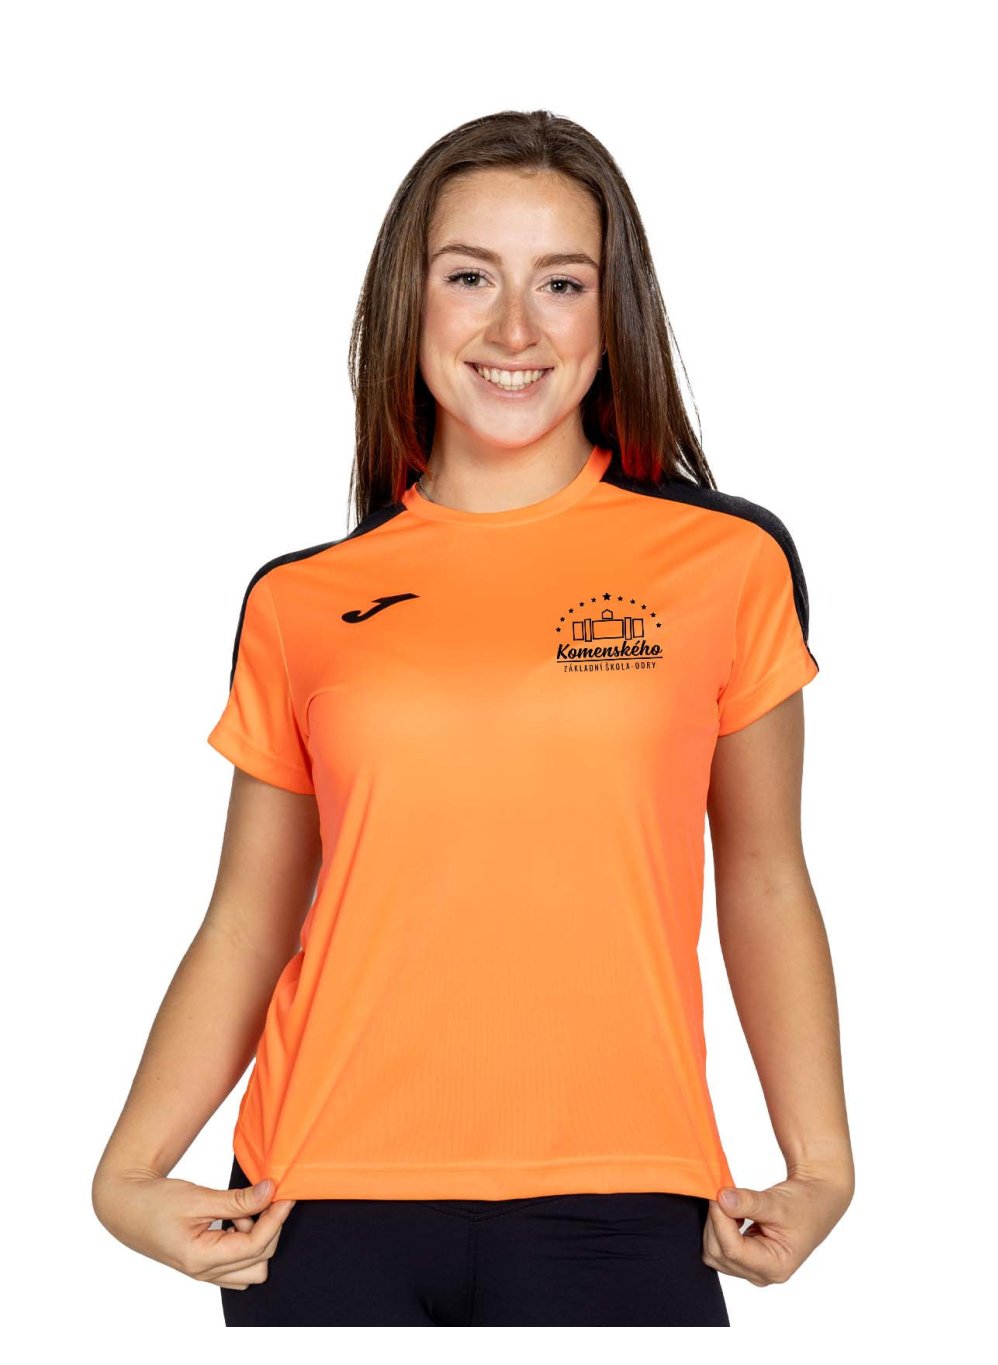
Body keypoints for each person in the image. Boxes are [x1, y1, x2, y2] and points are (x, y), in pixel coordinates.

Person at [91, 108, 854, 1327]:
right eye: (469, 277)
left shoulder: (724, 563)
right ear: (409, 301)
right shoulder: (302, 600)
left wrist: (820, 1166)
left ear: (613, 313)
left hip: (626, 1190)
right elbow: (248, 917)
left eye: (561, 283)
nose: (514, 330)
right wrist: (128, 1173)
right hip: (313, 1202)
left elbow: (763, 873)